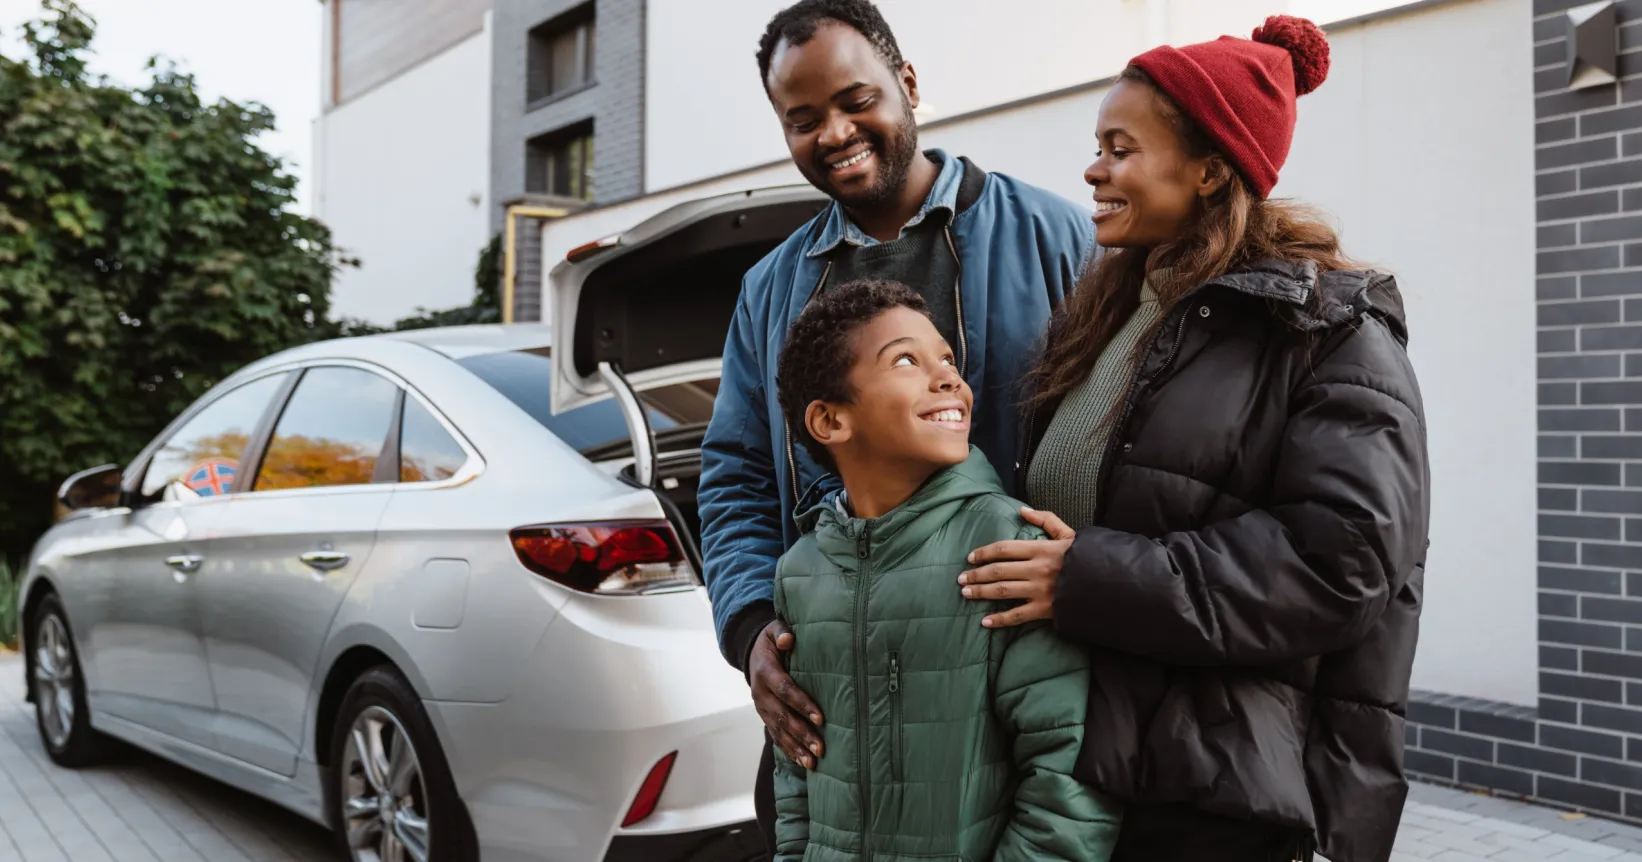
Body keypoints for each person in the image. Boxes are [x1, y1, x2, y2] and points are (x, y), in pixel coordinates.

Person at [957, 17, 1429, 862]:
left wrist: (1088, 576)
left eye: (1120, 147)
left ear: (1212, 170)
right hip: (1078, 767)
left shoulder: (1329, 332)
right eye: (1097, 146)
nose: (1093, 170)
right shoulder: (1108, 316)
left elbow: (1343, 561)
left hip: (1212, 790)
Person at [695, 0, 1094, 850]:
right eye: (802, 121)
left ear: (907, 84)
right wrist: (749, 627)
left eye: (855, 99)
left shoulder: (1054, 236)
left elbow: (1124, 434)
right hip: (844, 697)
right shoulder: (770, 289)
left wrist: (1095, 571)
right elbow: (734, 472)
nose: (834, 132)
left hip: (1009, 674)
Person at [768, 277, 1120, 862]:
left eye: (947, 358)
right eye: (905, 360)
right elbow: (794, 772)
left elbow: (1068, 776)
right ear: (830, 422)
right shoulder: (800, 571)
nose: (948, 377)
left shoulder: (1012, 547)